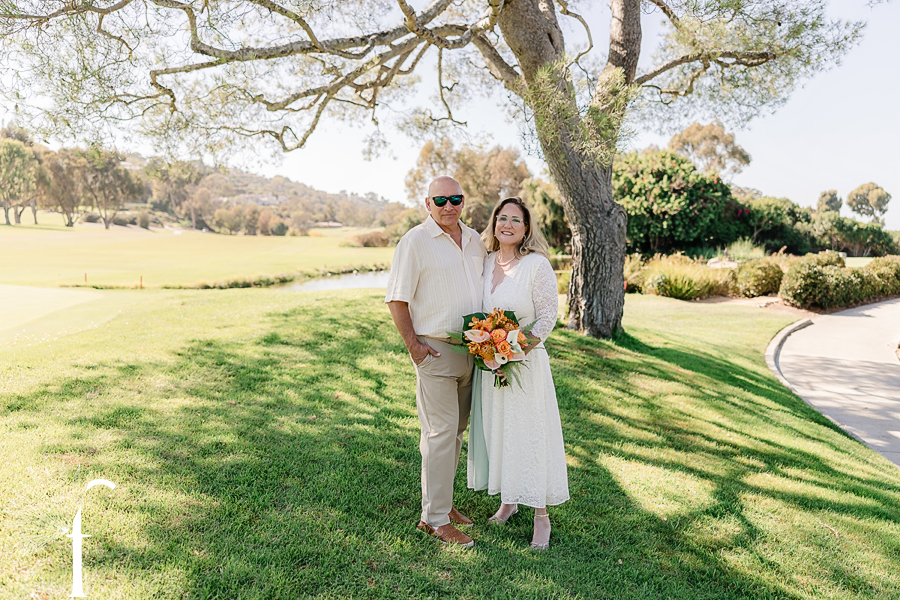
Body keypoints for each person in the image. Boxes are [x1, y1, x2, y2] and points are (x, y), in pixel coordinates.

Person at [385, 176, 486, 548]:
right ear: (427, 203)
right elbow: (397, 299)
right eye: (440, 199)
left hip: (472, 352)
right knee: (440, 432)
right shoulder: (415, 241)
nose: (448, 206)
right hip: (435, 351)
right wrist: (414, 346)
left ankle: (443, 502)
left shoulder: (476, 240)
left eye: (455, 198)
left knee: (455, 432)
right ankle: (434, 519)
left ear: (463, 201)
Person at [468, 196, 569, 550]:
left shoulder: (536, 265)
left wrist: (514, 349)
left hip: (525, 366)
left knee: (530, 435)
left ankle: (541, 515)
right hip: (491, 368)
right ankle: (508, 501)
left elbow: (547, 317)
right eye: (502, 218)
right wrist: (490, 351)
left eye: (515, 220)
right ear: (494, 223)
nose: (507, 224)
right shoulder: (483, 263)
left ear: (526, 228)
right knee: (501, 433)